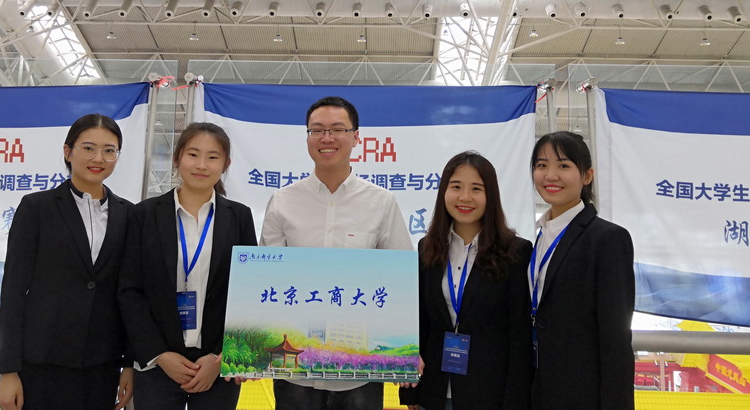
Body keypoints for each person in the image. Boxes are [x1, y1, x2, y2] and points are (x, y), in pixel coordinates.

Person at [260, 95, 413, 410]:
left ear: (356, 137)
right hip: (295, 372)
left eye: (337, 129)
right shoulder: (282, 201)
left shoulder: (381, 203)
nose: (326, 138)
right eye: (316, 130)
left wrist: (404, 352)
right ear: (307, 137)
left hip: (359, 372)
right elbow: (267, 280)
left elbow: (401, 282)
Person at [0, 113, 134, 410]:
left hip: (102, 364)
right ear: (68, 152)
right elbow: (14, 290)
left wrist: (129, 364)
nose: (99, 158)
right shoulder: (37, 208)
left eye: (109, 150)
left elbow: (131, 295)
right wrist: (8, 370)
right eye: (88, 148)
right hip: (41, 361)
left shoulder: (129, 214)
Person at [119, 122, 256, 410]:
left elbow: (248, 292)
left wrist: (221, 357)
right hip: (158, 363)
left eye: (213, 157)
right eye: (193, 154)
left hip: (216, 365)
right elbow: (130, 291)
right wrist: (158, 354)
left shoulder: (239, 217)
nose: (201, 165)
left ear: (226, 164)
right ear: (177, 158)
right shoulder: (144, 215)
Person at [400, 151, 533, 410]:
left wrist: (515, 401)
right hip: (434, 391)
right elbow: (421, 323)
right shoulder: (428, 247)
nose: (465, 197)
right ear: (444, 192)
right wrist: (411, 395)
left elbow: (519, 337)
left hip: (489, 393)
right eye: (456, 187)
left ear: (490, 196)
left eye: (476, 189)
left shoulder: (515, 252)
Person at [529, 131, 635, 410]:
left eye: (564, 165)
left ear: (587, 176)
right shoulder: (539, 237)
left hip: (581, 394)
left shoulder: (607, 239)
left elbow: (616, 339)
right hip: (539, 389)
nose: (551, 175)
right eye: (542, 165)